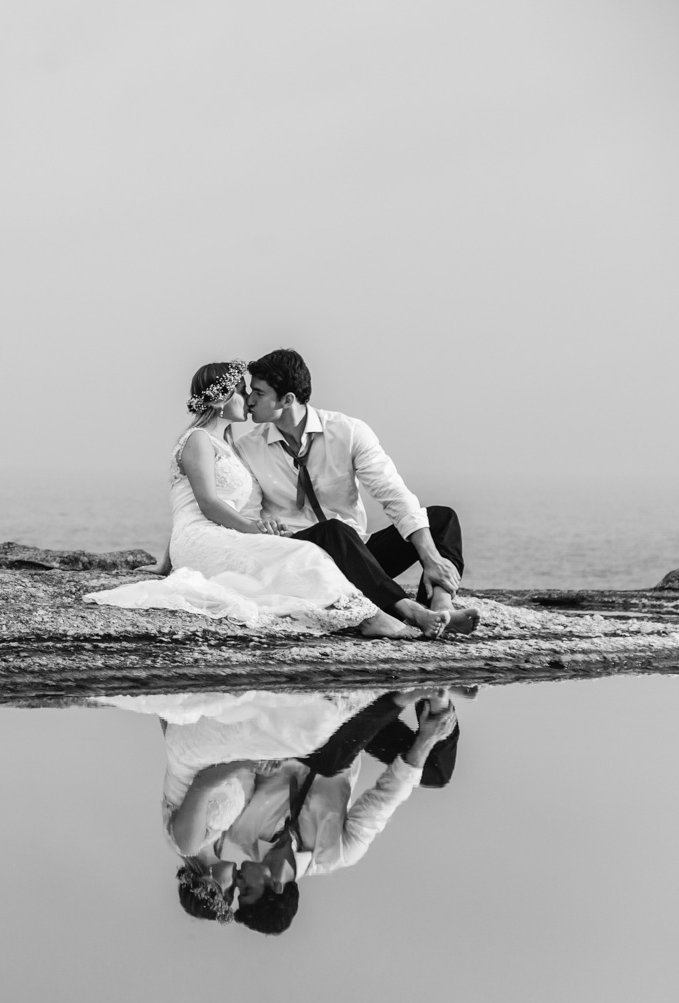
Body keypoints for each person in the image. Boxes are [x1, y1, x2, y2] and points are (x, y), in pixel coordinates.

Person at [87, 362, 421, 637]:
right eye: (242, 391)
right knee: (300, 553)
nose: (248, 399)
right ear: (220, 399)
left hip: (217, 534)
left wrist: (169, 559)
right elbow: (204, 505)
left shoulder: (230, 445)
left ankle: (372, 612)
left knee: (301, 552)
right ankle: (369, 618)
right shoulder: (198, 440)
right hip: (203, 536)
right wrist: (249, 531)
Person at [107, 687, 461, 935]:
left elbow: (224, 772)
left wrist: (175, 713)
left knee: (327, 757)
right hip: (350, 737)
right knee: (434, 771)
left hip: (298, 736)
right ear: (275, 885)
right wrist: (425, 740)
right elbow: (387, 796)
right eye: (246, 892)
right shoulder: (338, 853)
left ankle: (409, 689)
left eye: (235, 891)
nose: (239, 882)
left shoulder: (239, 831)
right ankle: (437, 690)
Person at [235, 349, 476, 639]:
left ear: (287, 400)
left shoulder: (348, 432)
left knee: (441, 517)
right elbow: (247, 514)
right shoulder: (248, 448)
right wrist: (263, 528)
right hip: (301, 558)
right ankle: (410, 610)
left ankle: (440, 604)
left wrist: (430, 557)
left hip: (357, 556)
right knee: (333, 530)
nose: (249, 401)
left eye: (258, 393)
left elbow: (393, 493)